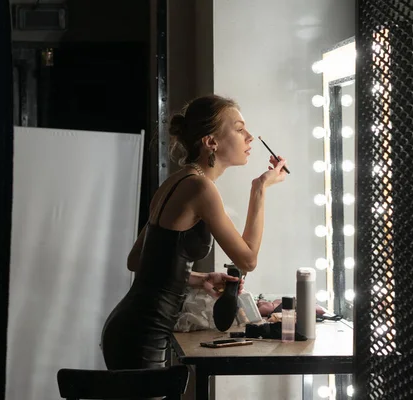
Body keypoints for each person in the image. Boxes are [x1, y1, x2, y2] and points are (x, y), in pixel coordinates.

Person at [101, 94, 288, 370]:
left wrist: (201, 278)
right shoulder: (201, 188)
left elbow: (138, 261)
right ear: (211, 142)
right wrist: (259, 189)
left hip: (130, 324)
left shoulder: (177, 180)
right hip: (144, 334)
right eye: (239, 129)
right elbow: (247, 260)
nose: (249, 137)